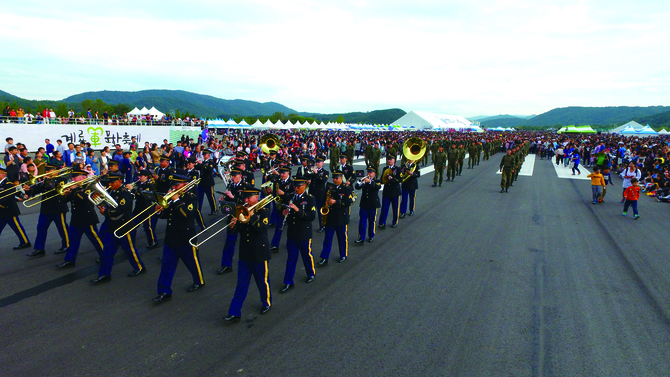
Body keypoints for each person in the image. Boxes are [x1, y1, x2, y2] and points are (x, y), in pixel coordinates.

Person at [152, 174, 205, 302]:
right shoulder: (172, 197)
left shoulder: (191, 198)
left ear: (184, 184)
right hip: (171, 237)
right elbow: (167, 214)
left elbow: (185, 215)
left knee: (192, 262)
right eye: (173, 185)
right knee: (166, 265)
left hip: (186, 237)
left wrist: (176, 200)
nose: (174, 187)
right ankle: (164, 291)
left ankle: (199, 281)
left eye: (176, 185)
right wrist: (159, 211)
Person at [224, 188, 273, 322]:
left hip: (259, 253)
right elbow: (234, 232)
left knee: (262, 281)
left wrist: (252, 216)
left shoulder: (264, 211)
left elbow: (262, 230)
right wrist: (232, 225)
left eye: (249, 198)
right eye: (245, 198)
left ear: (256, 197)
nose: (246, 200)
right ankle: (234, 312)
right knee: (241, 284)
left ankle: (266, 302)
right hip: (245, 253)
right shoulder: (241, 210)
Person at [91, 172, 147, 284]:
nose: (110, 184)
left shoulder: (125, 193)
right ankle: (104, 274)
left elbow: (120, 209)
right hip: (112, 226)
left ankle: (140, 267)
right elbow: (107, 206)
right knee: (107, 252)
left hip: (125, 226)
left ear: (120, 181)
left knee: (129, 250)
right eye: (109, 182)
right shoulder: (112, 192)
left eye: (112, 182)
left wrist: (106, 212)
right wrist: (101, 205)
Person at [56, 169, 104, 268]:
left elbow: (84, 198)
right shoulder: (76, 188)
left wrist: (74, 189)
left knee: (95, 238)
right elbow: (65, 200)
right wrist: (65, 193)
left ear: (82, 177)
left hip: (87, 217)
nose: (73, 179)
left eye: (75, 177)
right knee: (73, 240)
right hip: (76, 218)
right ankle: (70, 260)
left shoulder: (89, 186)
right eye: (73, 177)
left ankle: (105, 255)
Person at [25, 164, 70, 257]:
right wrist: (28, 190)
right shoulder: (44, 180)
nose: (46, 172)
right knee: (41, 228)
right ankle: (39, 248)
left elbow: (55, 190)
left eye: (49, 170)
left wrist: (47, 181)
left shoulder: (61, 179)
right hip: (46, 209)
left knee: (62, 228)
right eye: (46, 170)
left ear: (56, 170)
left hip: (58, 208)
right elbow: (37, 189)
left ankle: (67, 245)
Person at [280, 177, 316, 293]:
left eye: (298, 186)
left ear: (304, 185)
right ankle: (288, 281)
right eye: (295, 186)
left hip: (304, 232)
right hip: (292, 232)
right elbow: (286, 211)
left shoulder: (310, 199)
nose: (296, 188)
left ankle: (310, 273)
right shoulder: (291, 197)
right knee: (291, 257)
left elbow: (311, 216)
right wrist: (284, 212)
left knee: (306, 254)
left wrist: (298, 210)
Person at [318, 171, 353, 265]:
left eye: (336, 178)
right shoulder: (329, 187)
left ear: (341, 178)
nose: (334, 180)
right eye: (333, 178)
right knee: (327, 238)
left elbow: (348, 202)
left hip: (341, 218)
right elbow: (324, 199)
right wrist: (323, 209)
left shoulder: (346, 189)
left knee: (342, 237)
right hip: (330, 217)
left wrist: (336, 202)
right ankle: (324, 257)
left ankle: (343, 254)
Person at [217, 169, 248, 275]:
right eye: (232, 176)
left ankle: (248, 262)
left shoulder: (245, 186)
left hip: (243, 216)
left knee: (247, 241)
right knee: (229, 241)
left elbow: (246, 202)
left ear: (240, 175)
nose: (233, 178)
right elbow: (229, 200)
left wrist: (232, 197)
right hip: (232, 216)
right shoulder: (231, 185)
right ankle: (226, 264)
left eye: (235, 176)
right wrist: (224, 199)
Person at [0, 167, 32, 249]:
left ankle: (25, 242)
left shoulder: (9, 184)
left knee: (17, 227)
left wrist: (1, 204)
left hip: (9, 210)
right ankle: (24, 242)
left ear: (3, 174)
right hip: (1, 211)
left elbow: (10, 197)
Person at [128, 170, 159, 249]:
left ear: (146, 176)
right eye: (139, 176)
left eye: (141, 176)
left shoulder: (149, 185)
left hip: (146, 208)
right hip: (138, 208)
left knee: (148, 227)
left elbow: (144, 195)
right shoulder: (139, 183)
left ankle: (153, 241)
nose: (139, 177)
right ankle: (130, 242)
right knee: (132, 225)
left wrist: (133, 189)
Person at [269, 166, 294, 252]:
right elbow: (275, 193)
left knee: (291, 227)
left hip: (288, 207)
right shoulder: (278, 182)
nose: (282, 175)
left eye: (283, 173)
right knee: (278, 226)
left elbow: (293, 196)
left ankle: (290, 243)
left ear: (288, 173)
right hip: (280, 206)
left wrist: (284, 194)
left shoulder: (292, 183)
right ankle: (275, 244)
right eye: (281, 173)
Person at [354, 166, 380, 244]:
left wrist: (370, 182)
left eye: (370, 172)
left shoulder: (376, 180)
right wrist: (360, 182)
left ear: (374, 173)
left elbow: (378, 186)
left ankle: (371, 235)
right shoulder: (364, 180)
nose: (369, 174)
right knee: (362, 221)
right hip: (364, 204)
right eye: (368, 172)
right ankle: (361, 237)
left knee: (372, 221)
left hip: (373, 204)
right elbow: (357, 187)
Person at [378, 155, 401, 229]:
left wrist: (393, 179)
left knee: (395, 208)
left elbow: (400, 179)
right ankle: (382, 222)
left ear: (394, 160)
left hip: (395, 191)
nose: (389, 161)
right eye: (388, 159)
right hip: (387, 191)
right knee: (384, 208)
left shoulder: (397, 169)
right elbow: (382, 179)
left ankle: (394, 221)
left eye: (391, 159)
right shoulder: (385, 168)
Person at [309, 157, 329, 233]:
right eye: (316, 162)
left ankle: (322, 226)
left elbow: (323, 180)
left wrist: (316, 173)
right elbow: (307, 176)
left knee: (320, 211)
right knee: (310, 210)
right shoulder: (313, 170)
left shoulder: (325, 172)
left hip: (320, 194)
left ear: (322, 163)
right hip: (312, 193)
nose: (317, 163)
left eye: (319, 162)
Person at [197, 149, 218, 215]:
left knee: (211, 197)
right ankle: (198, 210)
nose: (203, 156)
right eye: (203, 154)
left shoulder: (211, 162)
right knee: (199, 197)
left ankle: (214, 210)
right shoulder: (203, 162)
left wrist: (202, 164)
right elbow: (198, 168)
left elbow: (209, 169)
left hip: (208, 182)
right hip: (202, 182)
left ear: (208, 155)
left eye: (205, 154)